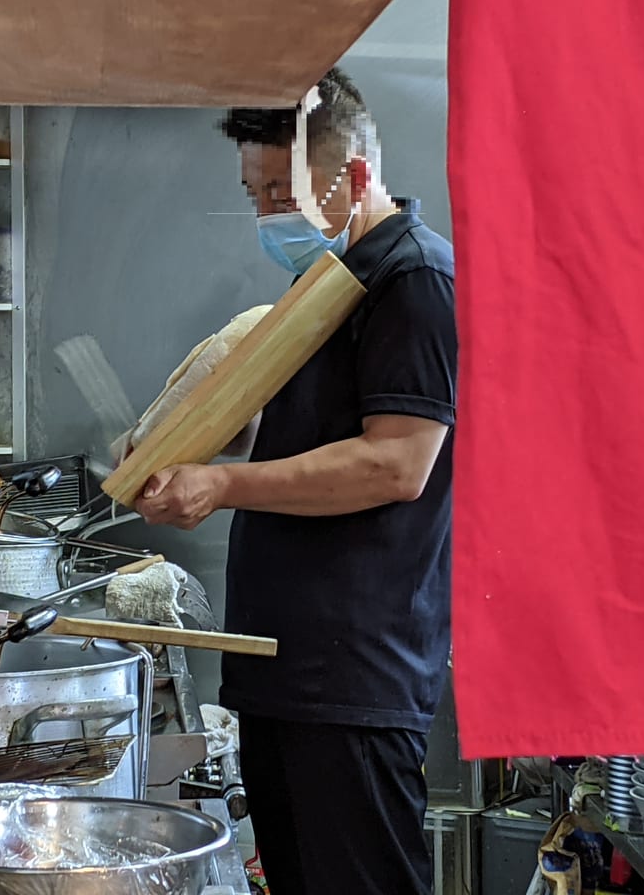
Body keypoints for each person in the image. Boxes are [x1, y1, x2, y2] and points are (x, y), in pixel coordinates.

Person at [135, 67, 457, 895]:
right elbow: (292, 429)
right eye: (255, 194)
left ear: (353, 177)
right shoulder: (322, 286)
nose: (269, 212)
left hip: (351, 679)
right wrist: (187, 443)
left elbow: (397, 464)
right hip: (285, 670)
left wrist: (222, 485)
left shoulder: (412, 279)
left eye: (282, 190)